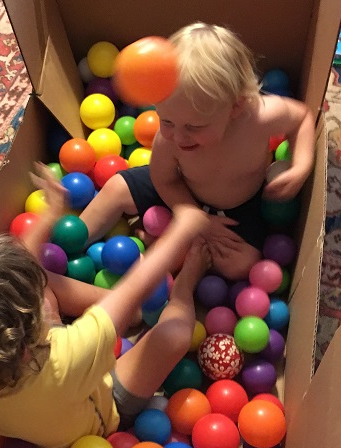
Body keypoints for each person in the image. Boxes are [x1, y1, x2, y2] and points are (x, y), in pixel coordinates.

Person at [0, 162, 211, 448]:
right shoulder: (65, 360)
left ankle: (138, 315)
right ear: (26, 347)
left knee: (39, 281)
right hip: (102, 410)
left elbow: (20, 273)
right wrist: (182, 229)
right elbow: (134, 286)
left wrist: (49, 214)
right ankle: (186, 283)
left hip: (37, 393)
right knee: (175, 335)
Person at [80, 21, 315, 280]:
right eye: (166, 120)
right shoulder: (168, 139)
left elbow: (302, 118)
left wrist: (302, 166)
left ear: (236, 107)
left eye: (194, 126)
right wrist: (191, 215)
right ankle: (73, 241)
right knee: (116, 187)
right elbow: (164, 179)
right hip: (181, 190)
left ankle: (157, 256)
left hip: (239, 207)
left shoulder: (260, 118)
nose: (178, 136)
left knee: (243, 264)